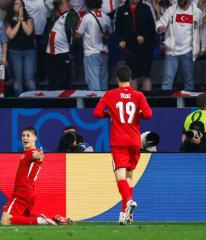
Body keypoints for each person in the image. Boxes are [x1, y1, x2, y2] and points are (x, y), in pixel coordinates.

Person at [93, 64, 152, 225]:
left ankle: (127, 202)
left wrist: (109, 114)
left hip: (118, 141)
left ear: (117, 79)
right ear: (131, 79)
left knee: (120, 175)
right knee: (129, 176)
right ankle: (124, 215)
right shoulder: (138, 95)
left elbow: (96, 113)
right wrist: (137, 114)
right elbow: (148, 114)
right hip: (134, 140)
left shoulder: (110, 94)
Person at [0, 126, 72, 225]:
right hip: (28, 191)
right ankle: (53, 219)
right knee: (22, 219)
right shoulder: (26, 153)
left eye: (28, 135)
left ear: (34, 138)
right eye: (23, 135)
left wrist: (38, 155)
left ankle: (42, 221)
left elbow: (35, 155)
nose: (25, 138)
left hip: (22, 192)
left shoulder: (32, 153)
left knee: (6, 221)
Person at [156, 0, 206, 91]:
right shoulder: (171, 10)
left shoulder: (197, 12)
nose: (180, 1)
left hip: (188, 51)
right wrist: (160, 27)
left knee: (189, 81)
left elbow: (202, 30)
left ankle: (188, 104)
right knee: (167, 81)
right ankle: (165, 104)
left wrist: (203, 47)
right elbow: (160, 22)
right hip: (172, 50)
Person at [115, 0, 156, 91]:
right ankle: (134, 102)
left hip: (146, 48)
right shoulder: (121, 9)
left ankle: (146, 102)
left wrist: (144, 37)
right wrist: (121, 40)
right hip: (130, 49)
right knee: (132, 76)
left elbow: (152, 27)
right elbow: (118, 28)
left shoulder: (146, 8)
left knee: (146, 75)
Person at [43, 0, 79, 90]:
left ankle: (65, 103)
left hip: (64, 53)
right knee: (52, 80)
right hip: (50, 52)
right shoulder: (54, 12)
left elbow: (73, 35)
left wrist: (71, 52)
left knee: (65, 81)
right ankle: (53, 103)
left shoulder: (72, 14)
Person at [75, 0, 111, 91]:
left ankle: (96, 103)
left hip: (91, 53)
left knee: (93, 82)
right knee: (103, 81)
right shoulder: (106, 17)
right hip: (104, 52)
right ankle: (104, 103)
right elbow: (110, 33)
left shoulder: (86, 17)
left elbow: (77, 34)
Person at [5, 0, 36, 96]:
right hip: (15, 52)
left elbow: (28, 32)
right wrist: (18, 21)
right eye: (16, 4)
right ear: (12, 6)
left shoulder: (29, 19)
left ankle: (34, 102)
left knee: (29, 79)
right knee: (18, 80)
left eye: (20, 4)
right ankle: (21, 102)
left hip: (29, 51)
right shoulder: (8, 20)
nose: (19, 6)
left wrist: (21, 19)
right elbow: (10, 35)